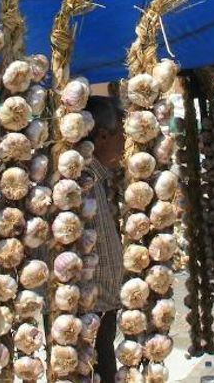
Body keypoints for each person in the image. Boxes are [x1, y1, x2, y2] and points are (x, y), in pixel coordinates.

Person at [84, 95, 125, 383]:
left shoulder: (98, 178)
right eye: (120, 136)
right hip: (87, 311)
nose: (123, 145)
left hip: (101, 309)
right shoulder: (81, 182)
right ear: (101, 136)